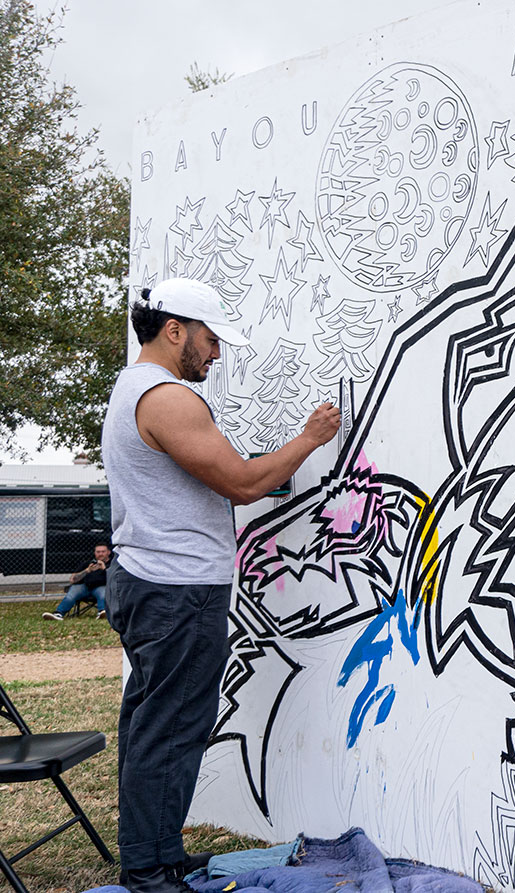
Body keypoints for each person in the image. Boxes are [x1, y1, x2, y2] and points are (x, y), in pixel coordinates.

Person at [101, 278, 341, 893]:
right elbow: (241, 483)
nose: (215, 353)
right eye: (210, 340)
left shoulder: (137, 390)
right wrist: (310, 440)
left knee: (155, 724)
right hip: (175, 588)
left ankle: (154, 854)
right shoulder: (168, 398)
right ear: (175, 329)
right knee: (173, 727)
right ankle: (150, 871)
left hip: (153, 581)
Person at [42, 542, 111, 620]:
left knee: (103, 592)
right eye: (98, 552)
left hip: (101, 587)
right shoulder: (87, 564)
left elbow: (114, 579)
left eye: (103, 552)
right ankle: (58, 614)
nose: (100, 554)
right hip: (84, 587)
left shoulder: (112, 564)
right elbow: (72, 579)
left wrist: (105, 569)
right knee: (72, 593)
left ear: (108, 552)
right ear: (95, 553)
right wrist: (87, 570)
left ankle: (102, 612)